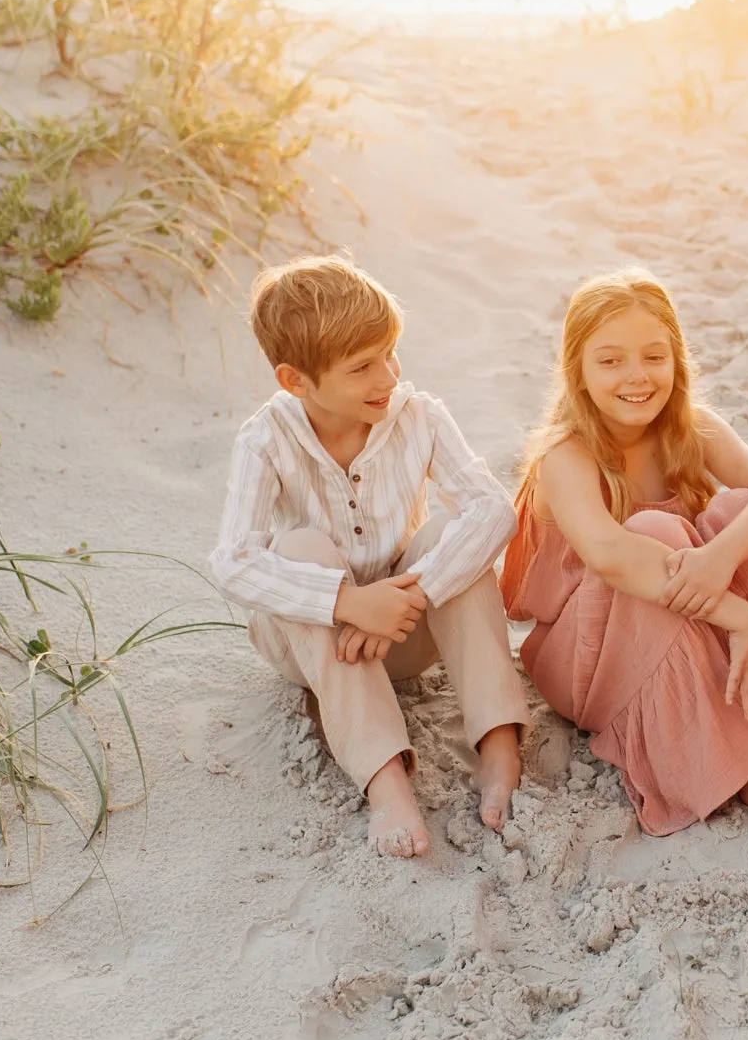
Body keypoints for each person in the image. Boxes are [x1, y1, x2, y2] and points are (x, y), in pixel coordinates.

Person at [501, 269, 748, 837]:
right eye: (611, 360)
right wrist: (738, 615)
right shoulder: (565, 455)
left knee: (735, 511)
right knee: (654, 531)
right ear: (576, 370)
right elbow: (611, 554)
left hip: (684, 620)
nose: (637, 377)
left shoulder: (688, 427)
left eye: (654, 356)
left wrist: (720, 556)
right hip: (585, 662)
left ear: (677, 358)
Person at [210, 255, 531, 857]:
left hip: (404, 627)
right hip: (313, 645)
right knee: (300, 547)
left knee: (449, 536)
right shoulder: (266, 438)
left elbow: (496, 510)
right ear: (295, 381)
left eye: (390, 353)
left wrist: (415, 592)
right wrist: (348, 602)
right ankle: (385, 780)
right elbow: (231, 562)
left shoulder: (419, 417)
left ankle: (498, 741)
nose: (387, 377)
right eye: (362, 368)